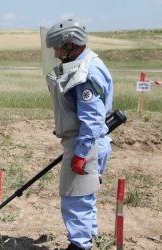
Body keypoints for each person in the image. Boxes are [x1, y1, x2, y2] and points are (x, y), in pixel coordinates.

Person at [44, 19, 114, 250]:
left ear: (70, 45)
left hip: (86, 143)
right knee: (86, 195)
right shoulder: (89, 61)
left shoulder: (85, 71)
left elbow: (92, 120)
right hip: (92, 141)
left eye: (57, 48)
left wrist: (80, 154)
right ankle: (87, 238)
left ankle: (79, 245)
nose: (55, 54)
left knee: (76, 198)